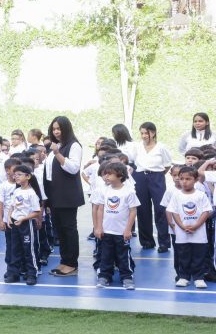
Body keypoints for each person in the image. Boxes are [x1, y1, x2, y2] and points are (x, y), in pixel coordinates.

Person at [43, 116, 84, 276]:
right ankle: (64, 261)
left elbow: (73, 168)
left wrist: (57, 153)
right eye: (54, 129)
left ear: (66, 129)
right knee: (59, 230)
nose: (56, 132)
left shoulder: (74, 145)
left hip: (67, 195)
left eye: (59, 129)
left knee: (68, 229)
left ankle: (72, 264)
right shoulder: (57, 145)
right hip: (54, 195)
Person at [91, 161, 140, 289]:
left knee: (123, 256)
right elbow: (100, 209)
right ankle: (104, 276)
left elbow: (133, 211)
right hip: (107, 231)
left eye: (109, 174)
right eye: (105, 174)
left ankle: (127, 277)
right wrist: (98, 227)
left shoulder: (129, 192)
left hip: (121, 232)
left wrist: (128, 230)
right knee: (105, 255)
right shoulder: (105, 191)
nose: (106, 176)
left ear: (120, 175)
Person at [129, 121, 172, 252]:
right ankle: (147, 241)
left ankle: (164, 243)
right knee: (142, 209)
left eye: (146, 133)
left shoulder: (161, 147)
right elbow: (132, 161)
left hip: (157, 177)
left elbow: (167, 165)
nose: (144, 136)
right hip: (140, 177)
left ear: (153, 133)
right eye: (142, 133)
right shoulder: (137, 146)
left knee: (160, 208)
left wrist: (157, 175)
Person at [166, 166, 212, 288]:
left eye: (188, 179)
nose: (184, 182)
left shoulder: (201, 195)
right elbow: (174, 212)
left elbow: (206, 212)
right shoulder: (176, 195)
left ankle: (199, 277)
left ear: (196, 180)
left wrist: (196, 226)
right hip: (182, 233)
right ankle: (183, 277)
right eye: (182, 179)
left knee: (199, 256)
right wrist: (181, 226)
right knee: (183, 256)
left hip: (199, 233)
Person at [7, 163, 42, 285]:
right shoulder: (16, 191)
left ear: (28, 176)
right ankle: (14, 273)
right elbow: (12, 206)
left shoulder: (31, 193)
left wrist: (23, 219)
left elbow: (36, 212)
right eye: (15, 175)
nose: (16, 177)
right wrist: (9, 217)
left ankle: (32, 273)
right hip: (15, 223)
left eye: (19, 174)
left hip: (27, 224)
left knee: (29, 249)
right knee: (15, 248)